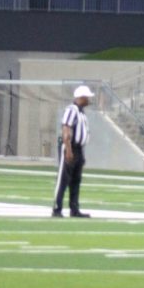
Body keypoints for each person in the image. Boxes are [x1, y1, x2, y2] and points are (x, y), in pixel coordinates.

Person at [52, 84, 93, 218]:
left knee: (76, 179)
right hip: (70, 147)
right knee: (63, 178)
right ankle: (57, 208)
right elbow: (66, 129)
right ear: (82, 97)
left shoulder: (81, 112)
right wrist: (68, 149)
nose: (89, 100)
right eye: (87, 97)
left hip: (78, 148)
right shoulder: (72, 110)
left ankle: (74, 209)